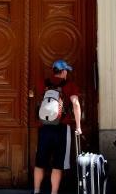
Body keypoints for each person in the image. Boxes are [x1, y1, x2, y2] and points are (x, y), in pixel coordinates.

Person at [33, 59, 82, 194]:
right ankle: (54, 192)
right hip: (62, 128)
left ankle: (36, 191)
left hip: (44, 127)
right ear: (64, 71)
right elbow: (76, 104)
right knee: (58, 164)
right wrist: (78, 126)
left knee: (40, 162)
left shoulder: (43, 83)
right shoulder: (70, 85)